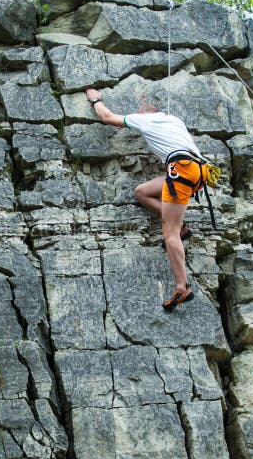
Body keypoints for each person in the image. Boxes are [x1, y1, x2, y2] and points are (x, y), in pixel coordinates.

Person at [85, 88, 208, 311]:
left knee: (168, 233)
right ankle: (180, 228)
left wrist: (95, 100)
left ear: (142, 115)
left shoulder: (145, 120)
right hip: (198, 170)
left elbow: (107, 117)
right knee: (142, 192)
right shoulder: (173, 120)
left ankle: (182, 287)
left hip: (180, 170)